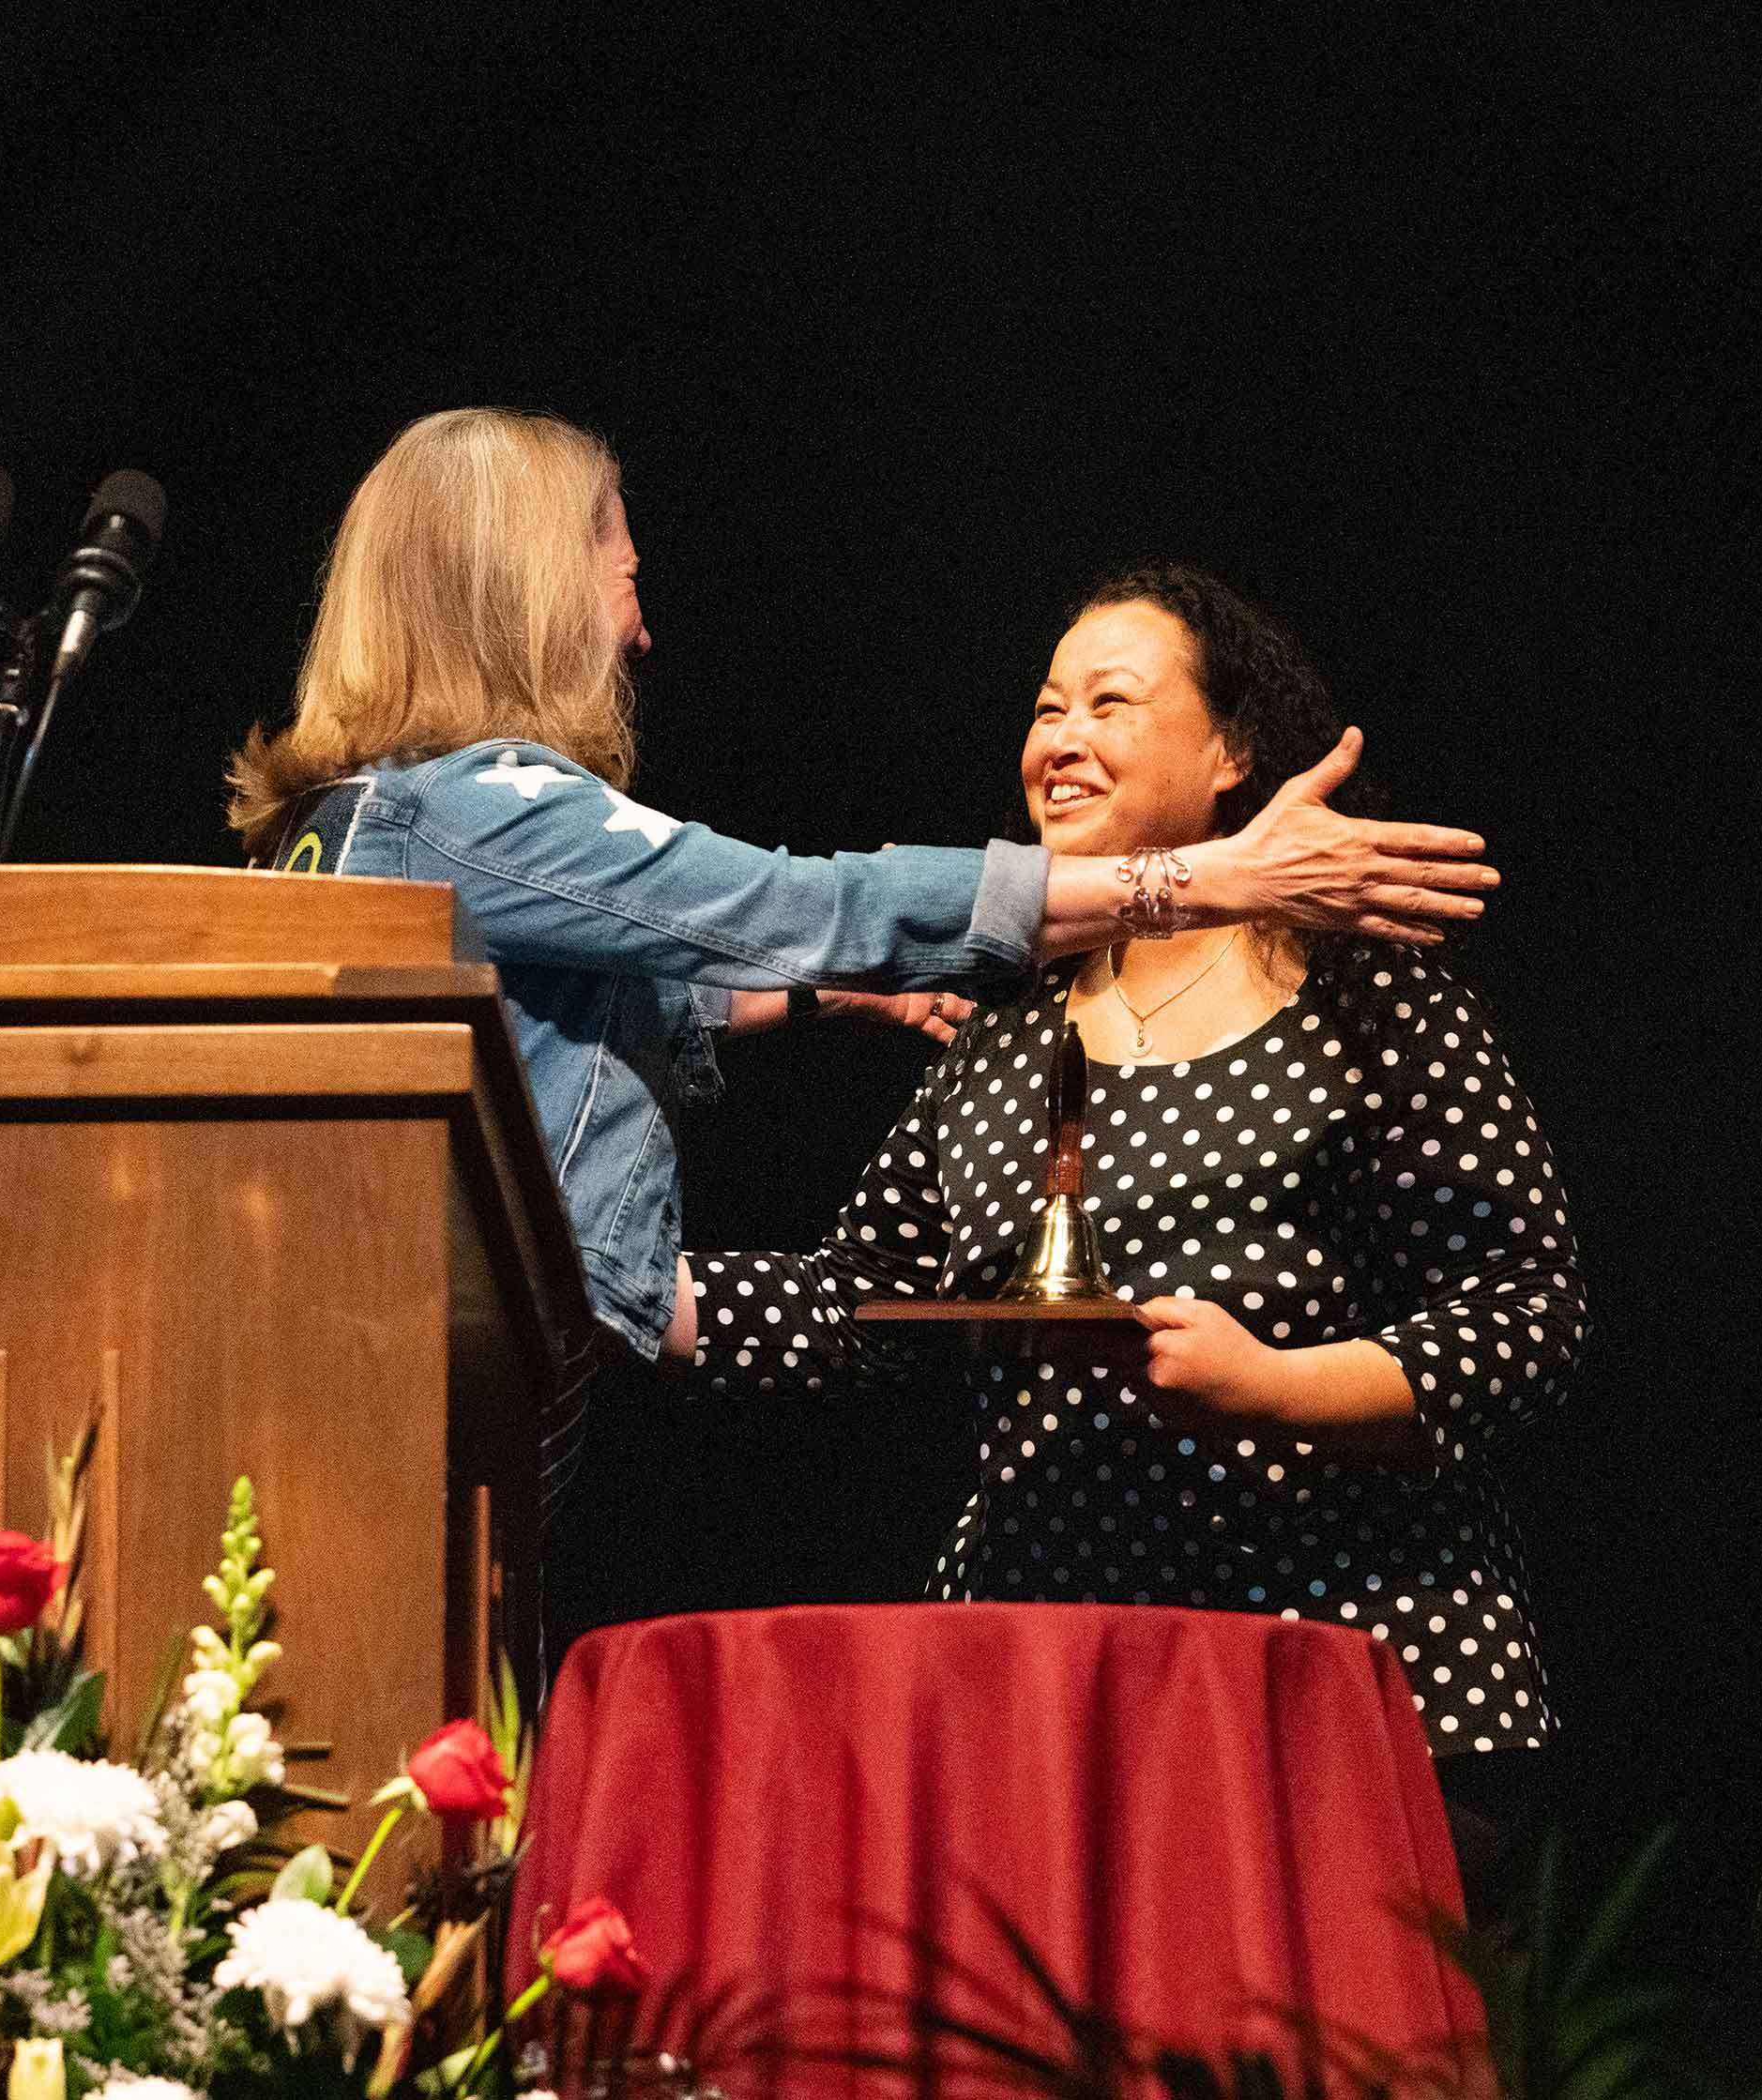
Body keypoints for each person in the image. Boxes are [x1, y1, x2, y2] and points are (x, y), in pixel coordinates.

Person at [226, 409, 1502, 1536]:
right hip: (398, 1422)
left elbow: (562, 1000)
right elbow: (796, 906)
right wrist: (1200, 879)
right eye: (610, 553)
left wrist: (823, 991)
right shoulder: (483, 805)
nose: (636, 599)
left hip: (373, 1402)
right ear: (517, 584)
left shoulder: (366, 820)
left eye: (1108, 704)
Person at [665, 561, 1588, 1914]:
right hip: (1050, 1697)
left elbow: (1527, 1311)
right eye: (1047, 707)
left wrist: (1277, 1386)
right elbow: (860, 1302)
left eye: (1111, 701)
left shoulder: (1366, 993)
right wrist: (628, 1292)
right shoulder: (1005, 1029)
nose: (1064, 737)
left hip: (1336, 1679)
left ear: (1230, 756)